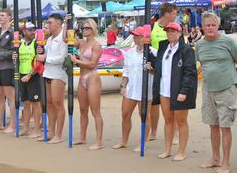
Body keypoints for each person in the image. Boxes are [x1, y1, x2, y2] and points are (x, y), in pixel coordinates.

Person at [195, 12, 237, 173]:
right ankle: (215, 159)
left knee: (225, 127)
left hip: (227, 89)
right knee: (213, 126)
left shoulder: (228, 42)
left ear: (217, 26)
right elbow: (201, 64)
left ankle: (225, 163)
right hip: (207, 90)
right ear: (203, 27)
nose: (210, 28)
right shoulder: (199, 45)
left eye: (213, 25)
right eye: (207, 25)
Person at [150, 22, 197, 161]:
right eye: (167, 31)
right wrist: (151, 66)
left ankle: (181, 151)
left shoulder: (186, 50)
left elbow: (190, 73)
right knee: (168, 121)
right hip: (164, 91)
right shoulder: (164, 46)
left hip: (179, 91)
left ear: (179, 33)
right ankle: (167, 149)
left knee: (181, 121)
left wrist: (183, 91)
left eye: (173, 31)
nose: (170, 33)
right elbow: (160, 66)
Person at [112, 26, 157, 151]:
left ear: (144, 37)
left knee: (143, 115)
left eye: (137, 35)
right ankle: (124, 141)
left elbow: (157, 72)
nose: (135, 38)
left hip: (145, 88)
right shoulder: (130, 53)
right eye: (135, 35)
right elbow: (126, 71)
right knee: (125, 114)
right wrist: (123, 86)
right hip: (131, 88)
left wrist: (152, 69)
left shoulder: (152, 52)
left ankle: (143, 143)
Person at [68, 17, 104, 150]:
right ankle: (82, 137)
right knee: (83, 110)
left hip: (92, 77)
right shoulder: (82, 43)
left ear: (93, 29)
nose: (84, 30)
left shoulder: (96, 45)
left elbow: (93, 64)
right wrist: (67, 23)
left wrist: (76, 61)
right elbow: (67, 39)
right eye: (83, 28)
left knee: (95, 111)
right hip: (82, 77)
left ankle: (99, 141)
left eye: (87, 28)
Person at [149, 2, 179, 141]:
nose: (176, 16)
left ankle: (176, 133)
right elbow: (147, 47)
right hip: (155, 69)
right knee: (154, 103)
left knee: (173, 103)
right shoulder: (152, 26)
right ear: (166, 13)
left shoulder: (175, 28)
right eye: (174, 13)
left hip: (170, 69)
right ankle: (153, 132)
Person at [36, 13, 67, 144]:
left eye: (50, 23)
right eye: (47, 23)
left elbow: (62, 58)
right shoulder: (49, 39)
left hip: (58, 74)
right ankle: (51, 132)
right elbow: (46, 55)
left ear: (59, 24)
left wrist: (45, 58)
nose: (48, 25)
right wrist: (41, 53)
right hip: (48, 73)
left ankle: (59, 134)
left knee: (57, 103)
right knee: (49, 103)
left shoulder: (63, 38)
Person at [0, 9, 17, 133]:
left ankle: (13, 124)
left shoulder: (13, 33)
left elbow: (15, 52)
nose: (0, 18)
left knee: (10, 96)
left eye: (2, 16)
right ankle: (0, 122)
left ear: (9, 17)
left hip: (7, 67)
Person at [17, 22, 41, 138]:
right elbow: (18, 60)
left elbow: (40, 62)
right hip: (22, 75)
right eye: (30, 30)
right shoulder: (20, 44)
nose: (32, 32)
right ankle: (26, 128)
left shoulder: (37, 44)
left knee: (36, 104)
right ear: (24, 31)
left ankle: (37, 129)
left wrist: (30, 74)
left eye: (33, 30)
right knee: (26, 104)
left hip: (33, 76)